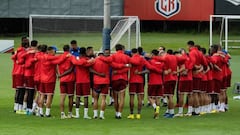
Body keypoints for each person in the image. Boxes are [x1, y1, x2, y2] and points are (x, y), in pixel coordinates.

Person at [38, 46, 69, 117]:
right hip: (50, 80)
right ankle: (47, 113)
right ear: (51, 51)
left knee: (42, 95)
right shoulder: (50, 59)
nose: (55, 53)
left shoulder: (42, 57)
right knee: (49, 96)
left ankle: (41, 112)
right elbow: (59, 60)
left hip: (42, 79)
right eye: (54, 52)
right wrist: (66, 55)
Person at [71, 47, 95, 119]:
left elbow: (75, 62)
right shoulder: (88, 60)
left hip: (78, 80)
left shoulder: (76, 59)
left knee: (77, 97)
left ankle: (77, 114)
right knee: (86, 97)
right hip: (86, 81)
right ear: (85, 53)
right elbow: (91, 65)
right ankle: (85, 114)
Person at [143, 49, 164, 119]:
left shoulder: (150, 61)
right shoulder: (161, 62)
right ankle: (157, 115)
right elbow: (163, 70)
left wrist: (141, 72)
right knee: (158, 98)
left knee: (150, 97)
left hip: (152, 81)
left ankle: (155, 108)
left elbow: (149, 69)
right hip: (160, 81)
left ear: (152, 54)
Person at [20, 40, 38, 115]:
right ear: (36, 44)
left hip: (26, 74)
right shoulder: (36, 52)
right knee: (32, 91)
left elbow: (20, 59)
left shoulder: (27, 52)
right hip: (32, 74)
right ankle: (30, 108)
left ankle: (25, 107)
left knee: (28, 91)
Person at [57, 45, 75, 119]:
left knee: (62, 97)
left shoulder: (60, 57)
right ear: (69, 49)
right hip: (70, 79)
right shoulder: (70, 56)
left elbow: (57, 65)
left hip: (62, 80)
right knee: (70, 97)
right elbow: (71, 69)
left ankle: (62, 114)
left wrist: (59, 75)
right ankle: (70, 113)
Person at [127, 48, 145, 119]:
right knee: (139, 98)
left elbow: (127, 66)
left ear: (131, 53)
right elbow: (147, 68)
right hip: (140, 80)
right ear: (137, 52)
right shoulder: (142, 59)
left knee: (132, 97)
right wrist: (140, 72)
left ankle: (131, 114)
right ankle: (138, 114)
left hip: (132, 80)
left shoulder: (130, 59)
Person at [91, 52, 110, 119]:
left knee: (95, 99)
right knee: (103, 99)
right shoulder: (107, 61)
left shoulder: (94, 60)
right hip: (105, 81)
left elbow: (90, 69)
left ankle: (95, 114)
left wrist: (98, 74)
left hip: (96, 81)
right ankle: (101, 115)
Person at [175, 49, 194, 117]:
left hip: (183, 78)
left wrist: (177, 72)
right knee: (190, 95)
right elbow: (192, 66)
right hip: (190, 78)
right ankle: (190, 111)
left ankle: (180, 112)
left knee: (181, 94)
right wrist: (188, 70)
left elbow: (181, 67)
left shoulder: (181, 58)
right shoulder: (190, 58)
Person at [14, 37, 29, 114]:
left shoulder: (18, 51)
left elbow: (13, 57)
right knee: (22, 91)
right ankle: (20, 109)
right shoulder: (25, 53)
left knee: (18, 90)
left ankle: (16, 107)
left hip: (16, 72)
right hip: (22, 73)